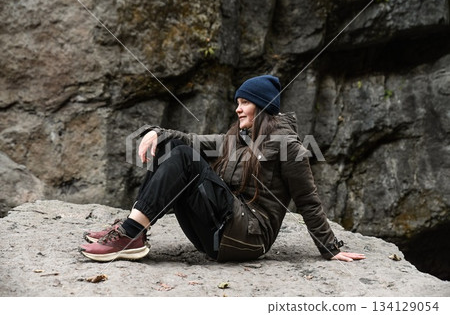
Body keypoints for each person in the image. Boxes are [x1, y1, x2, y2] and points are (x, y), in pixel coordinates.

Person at [79, 75, 365, 263]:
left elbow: (307, 199)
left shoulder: (286, 145)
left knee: (183, 157)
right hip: (217, 232)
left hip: (248, 238)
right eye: (237, 103)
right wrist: (156, 132)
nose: (238, 109)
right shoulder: (235, 137)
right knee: (173, 149)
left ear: (262, 106)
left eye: (245, 103)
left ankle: (130, 233)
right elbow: (190, 140)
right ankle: (133, 230)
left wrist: (331, 249)